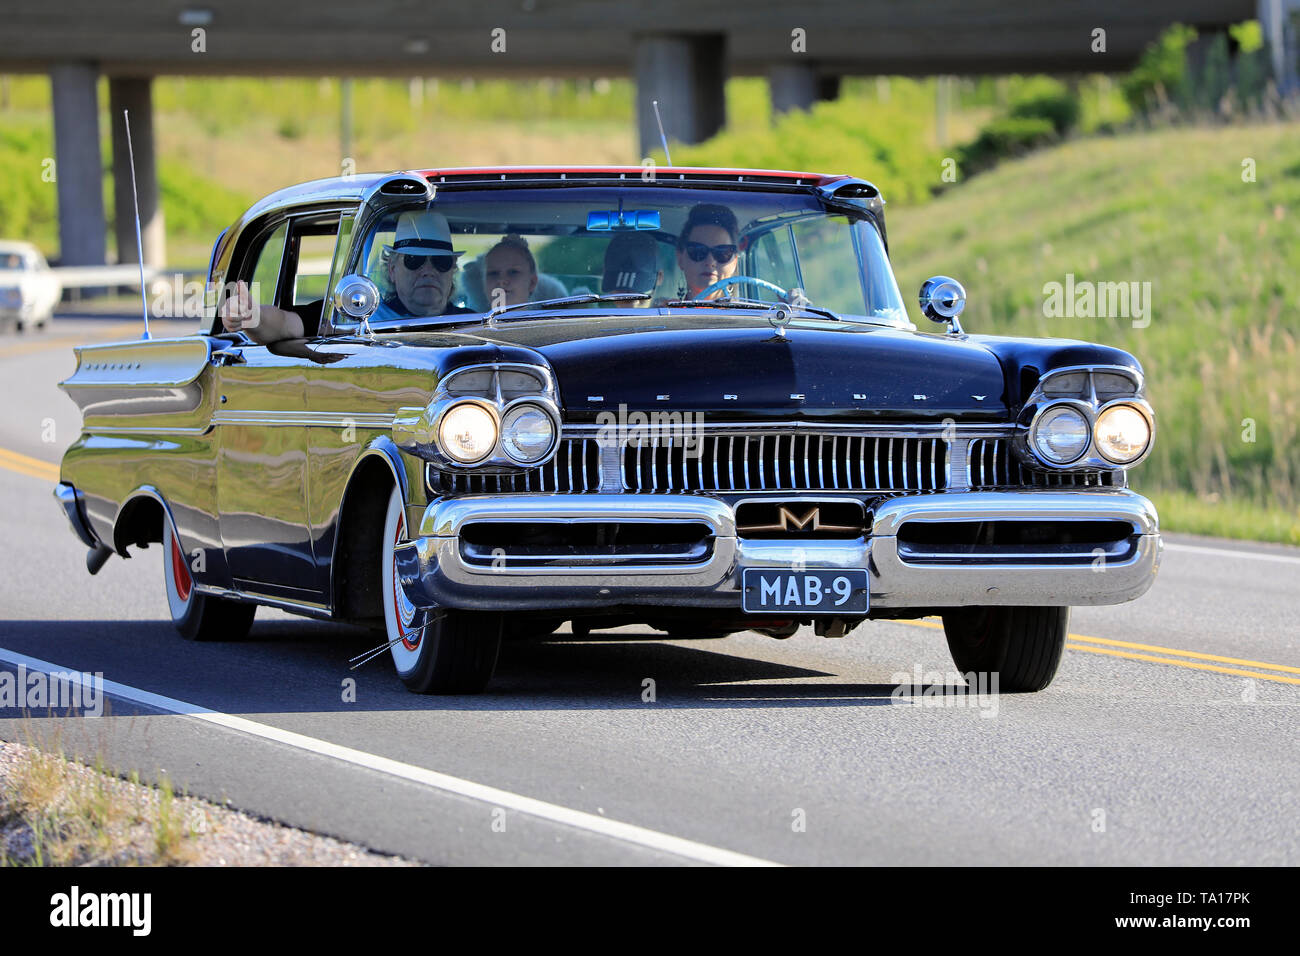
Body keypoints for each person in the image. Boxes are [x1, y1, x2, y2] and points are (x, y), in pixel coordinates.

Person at [220, 209, 471, 342]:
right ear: (393, 269)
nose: (428, 271)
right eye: (414, 260)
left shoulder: (478, 323)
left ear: (452, 270)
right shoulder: (353, 315)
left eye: (441, 262)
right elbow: (286, 324)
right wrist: (251, 316)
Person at [675, 203, 739, 299]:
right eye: (698, 251)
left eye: (722, 253)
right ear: (680, 259)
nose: (710, 262)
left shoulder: (756, 313)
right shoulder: (660, 313)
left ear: (734, 262)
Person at [601, 232, 662, 306]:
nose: (632, 302)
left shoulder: (675, 311)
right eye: (621, 289)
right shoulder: (586, 309)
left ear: (659, 277)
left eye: (639, 289)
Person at [482, 234, 538, 308]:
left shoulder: (554, 318)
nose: (501, 280)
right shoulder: (464, 317)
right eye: (493, 273)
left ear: (532, 283)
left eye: (513, 272)